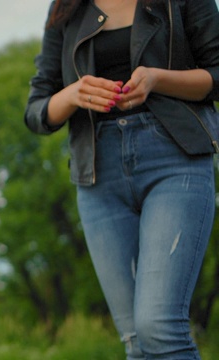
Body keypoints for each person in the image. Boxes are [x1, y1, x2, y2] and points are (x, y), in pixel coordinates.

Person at [24, 0, 219, 359]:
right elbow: (37, 110)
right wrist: (72, 94)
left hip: (175, 159)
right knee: (136, 342)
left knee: (159, 327)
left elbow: (216, 74)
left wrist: (158, 78)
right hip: (98, 175)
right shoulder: (65, 8)